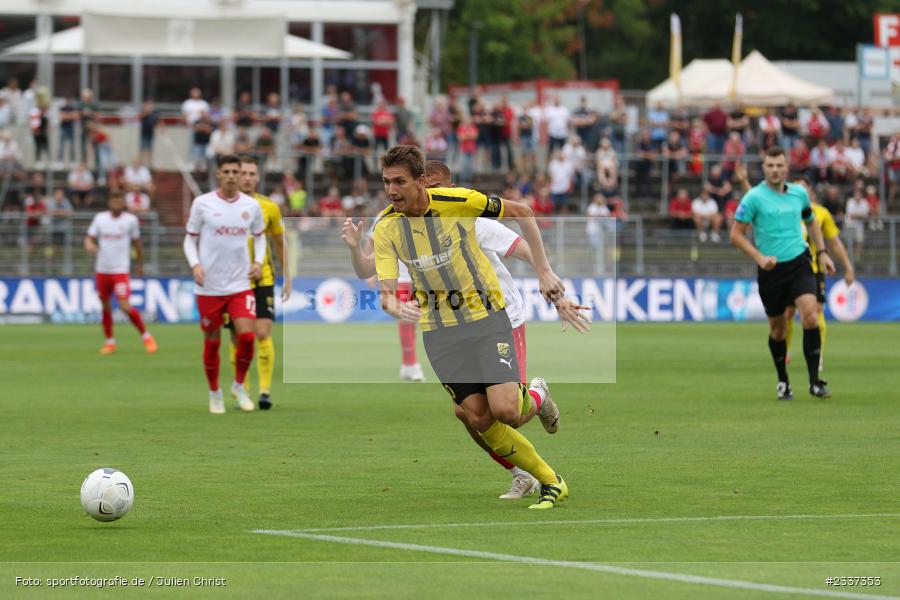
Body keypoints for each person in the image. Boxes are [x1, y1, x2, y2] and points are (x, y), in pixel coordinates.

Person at [344, 158, 589, 500]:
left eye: (437, 188)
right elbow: (368, 270)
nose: (432, 193)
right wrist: (357, 250)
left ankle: (537, 395)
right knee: (468, 414)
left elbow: (527, 249)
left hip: (501, 315)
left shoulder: (468, 214)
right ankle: (521, 472)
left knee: (508, 411)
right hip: (446, 325)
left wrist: (557, 294)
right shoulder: (398, 225)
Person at [730, 147, 835, 400]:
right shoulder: (753, 198)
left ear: (786, 167)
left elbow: (811, 221)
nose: (775, 170)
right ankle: (783, 381)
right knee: (778, 331)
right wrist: (760, 257)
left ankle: (815, 382)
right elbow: (735, 234)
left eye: (779, 165)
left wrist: (822, 252)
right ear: (764, 168)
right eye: (770, 165)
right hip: (771, 271)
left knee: (810, 316)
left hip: (800, 263)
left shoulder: (799, 194)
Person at [183, 154, 266, 414]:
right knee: (212, 340)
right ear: (218, 174)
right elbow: (189, 239)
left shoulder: (251, 206)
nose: (231, 176)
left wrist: (258, 262)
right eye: (226, 171)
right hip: (209, 286)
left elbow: (260, 237)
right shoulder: (202, 203)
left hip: (240, 284)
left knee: (247, 336)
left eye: (235, 172)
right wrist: (195, 265)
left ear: (240, 174)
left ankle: (239, 386)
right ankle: (214, 393)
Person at [225, 156, 293, 410]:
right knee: (237, 337)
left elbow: (279, 243)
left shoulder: (269, 207)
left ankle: (264, 392)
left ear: (258, 177)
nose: (247, 178)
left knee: (262, 332)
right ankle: (242, 389)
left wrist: (288, 277)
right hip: (232, 281)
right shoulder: (222, 206)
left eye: (252, 174)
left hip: (262, 277)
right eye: (243, 173)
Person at [783, 176, 854, 375]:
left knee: (816, 311)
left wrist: (848, 267)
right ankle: (785, 351)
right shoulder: (784, 212)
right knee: (788, 313)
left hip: (814, 269)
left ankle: (818, 354)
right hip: (788, 269)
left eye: (803, 188)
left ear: (810, 192)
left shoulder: (821, 213)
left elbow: (834, 242)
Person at [85, 192, 157, 355]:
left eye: (119, 200)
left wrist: (140, 264)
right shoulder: (100, 218)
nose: (116, 203)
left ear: (123, 203)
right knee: (105, 305)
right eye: (114, 200)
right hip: (102, 269)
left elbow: (137, 244)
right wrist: (89, 244)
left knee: (124, 306)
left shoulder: (130, 220)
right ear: (109, 202)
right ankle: (110, 342)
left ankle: (146, 336)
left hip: (120, 270)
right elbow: (89, 238)